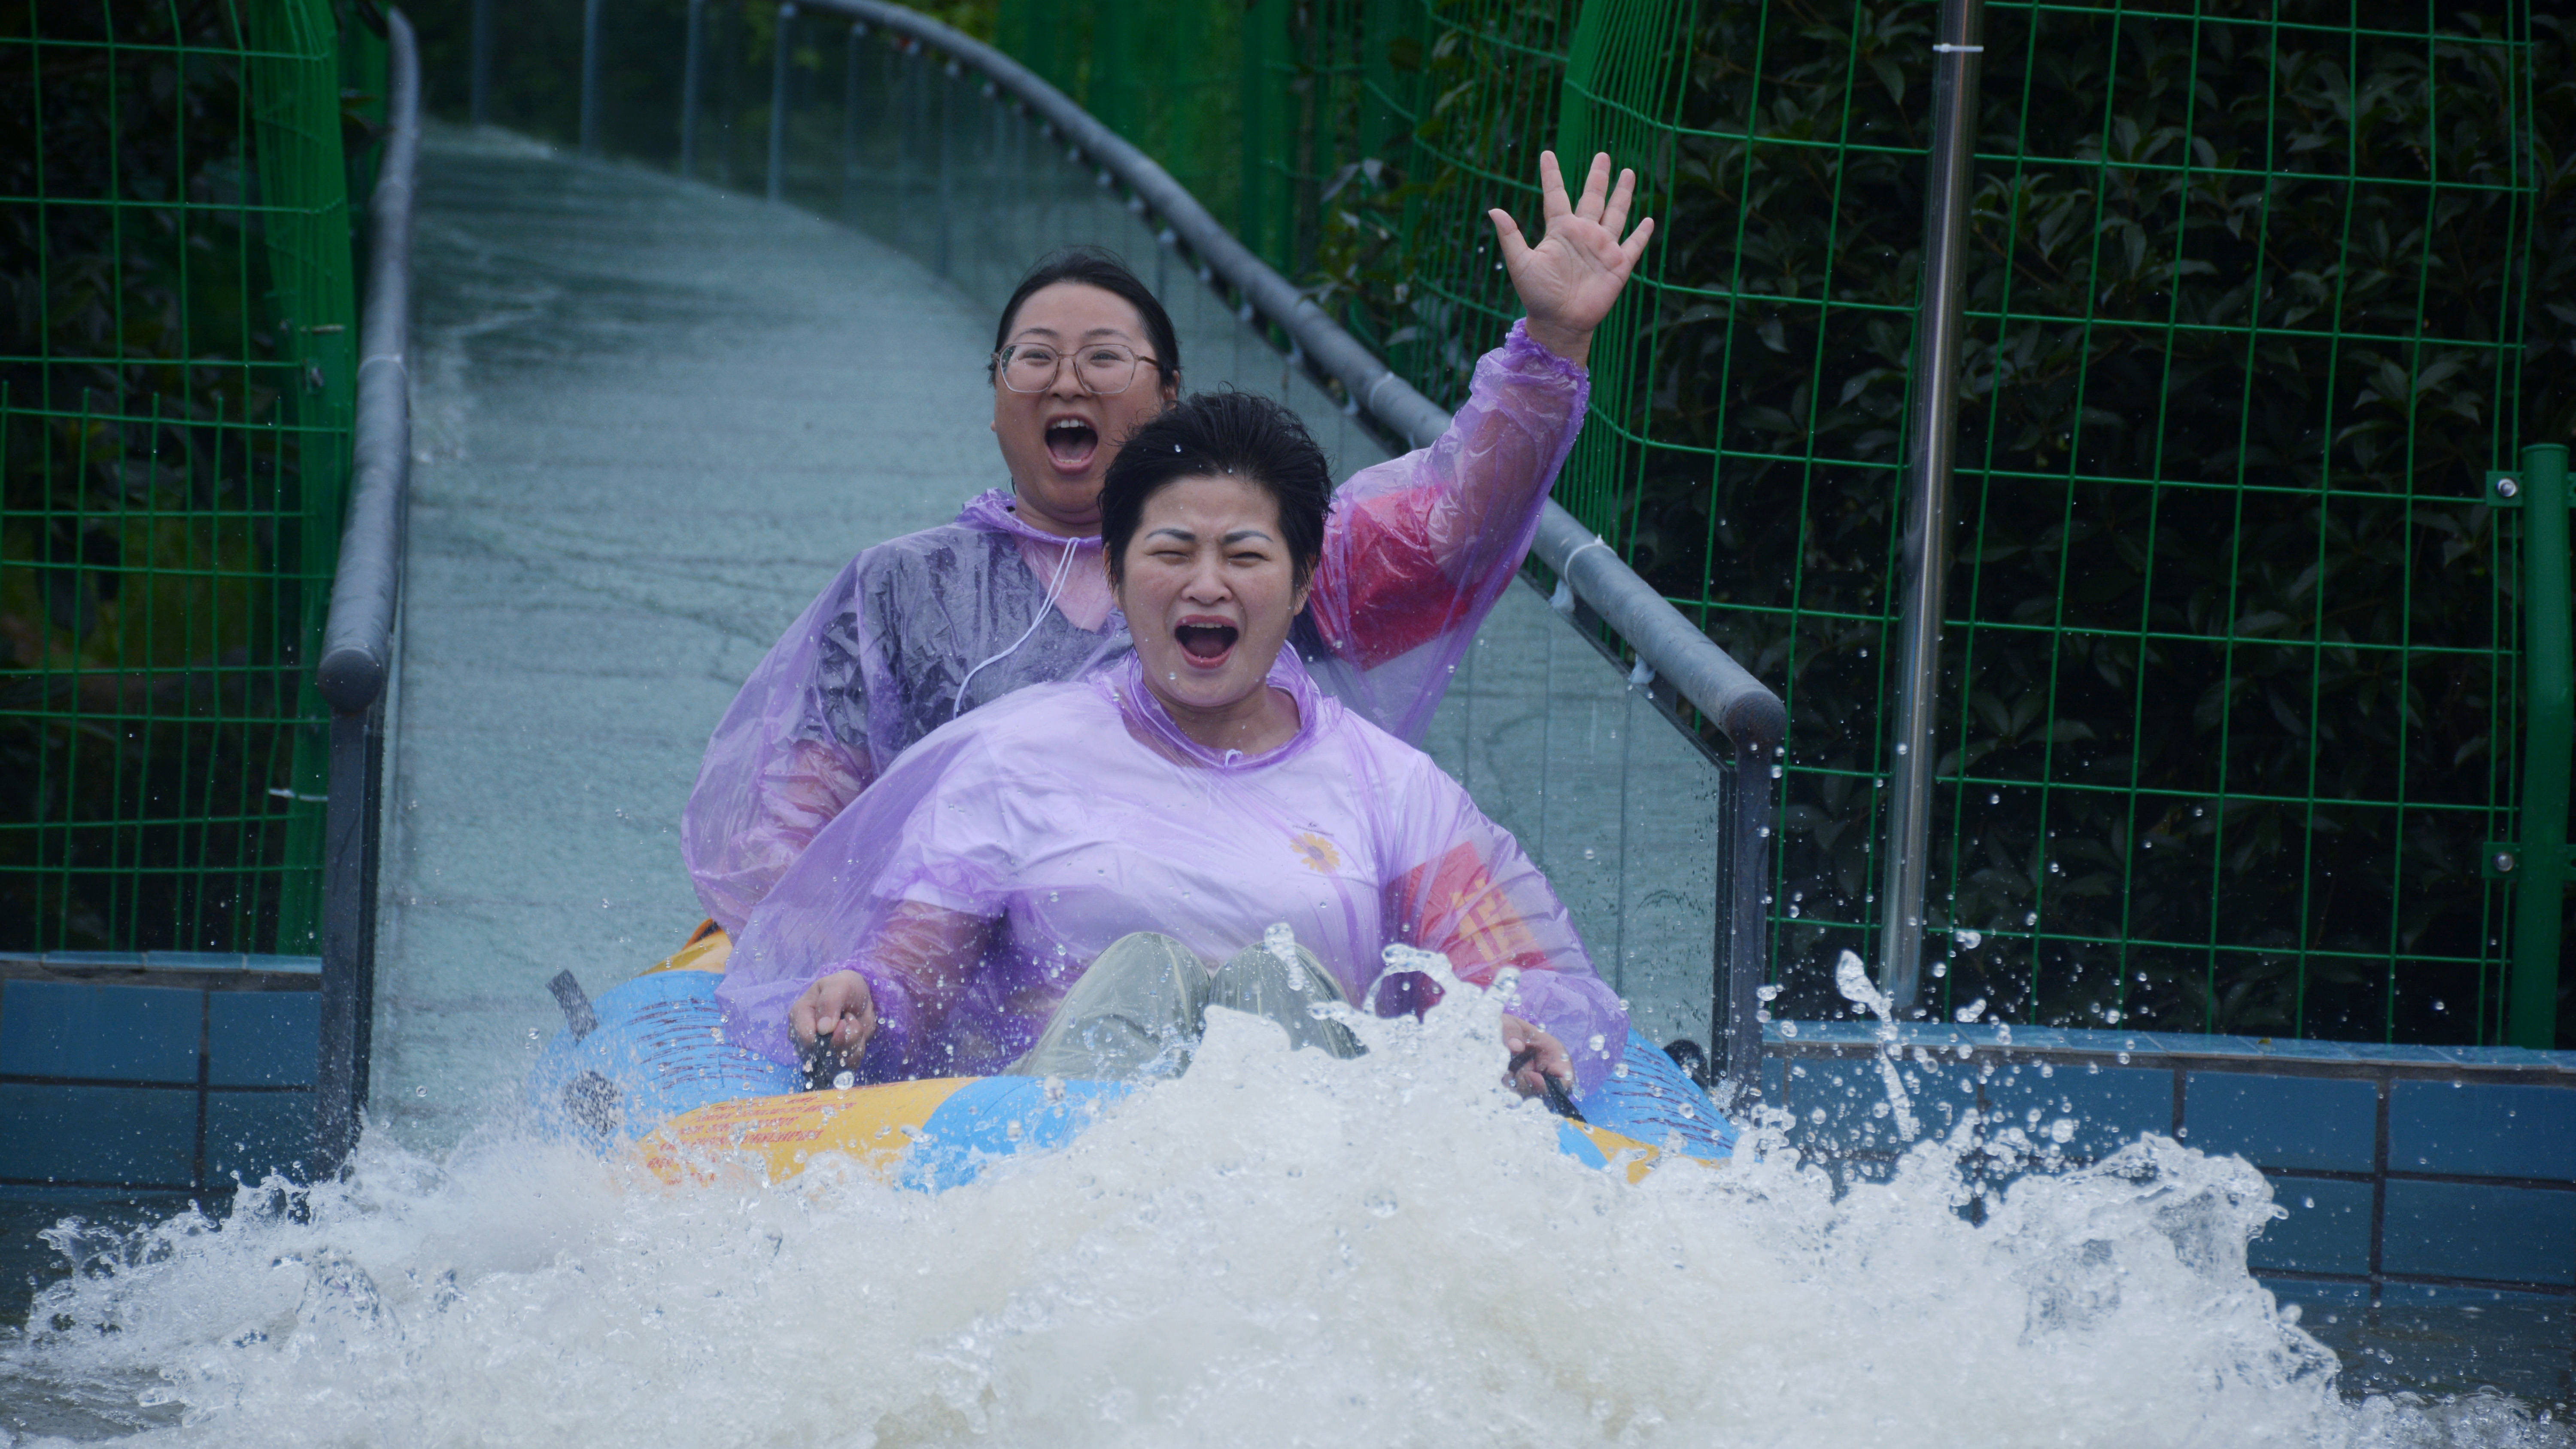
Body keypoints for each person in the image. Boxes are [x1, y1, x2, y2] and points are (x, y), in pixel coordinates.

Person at [681, 152, 1656, 937]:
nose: (1068, 380)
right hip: (977, 987)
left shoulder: (1275, 554)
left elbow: (1459, 519)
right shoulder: (904, 585)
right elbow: (798, 814)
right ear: (993, 401)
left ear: (1169, 395)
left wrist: (1548, 349)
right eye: (1033, 358)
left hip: (1260, 937)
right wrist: (811, 966)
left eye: (1104, 358)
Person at [717, 392, 1628, 1097]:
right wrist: (869, 998)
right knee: (1142, 972)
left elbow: (1515, 975)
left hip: (1306, 1157)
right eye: (1172, 550)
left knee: (1278, 974)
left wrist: (1507, 1028)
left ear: (1305, 577)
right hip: (1056, 1143)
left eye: (1243, 554)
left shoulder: (1390, 788)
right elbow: (917, 961)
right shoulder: (1020, 758)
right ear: (1116, 571)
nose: (1206, 584)